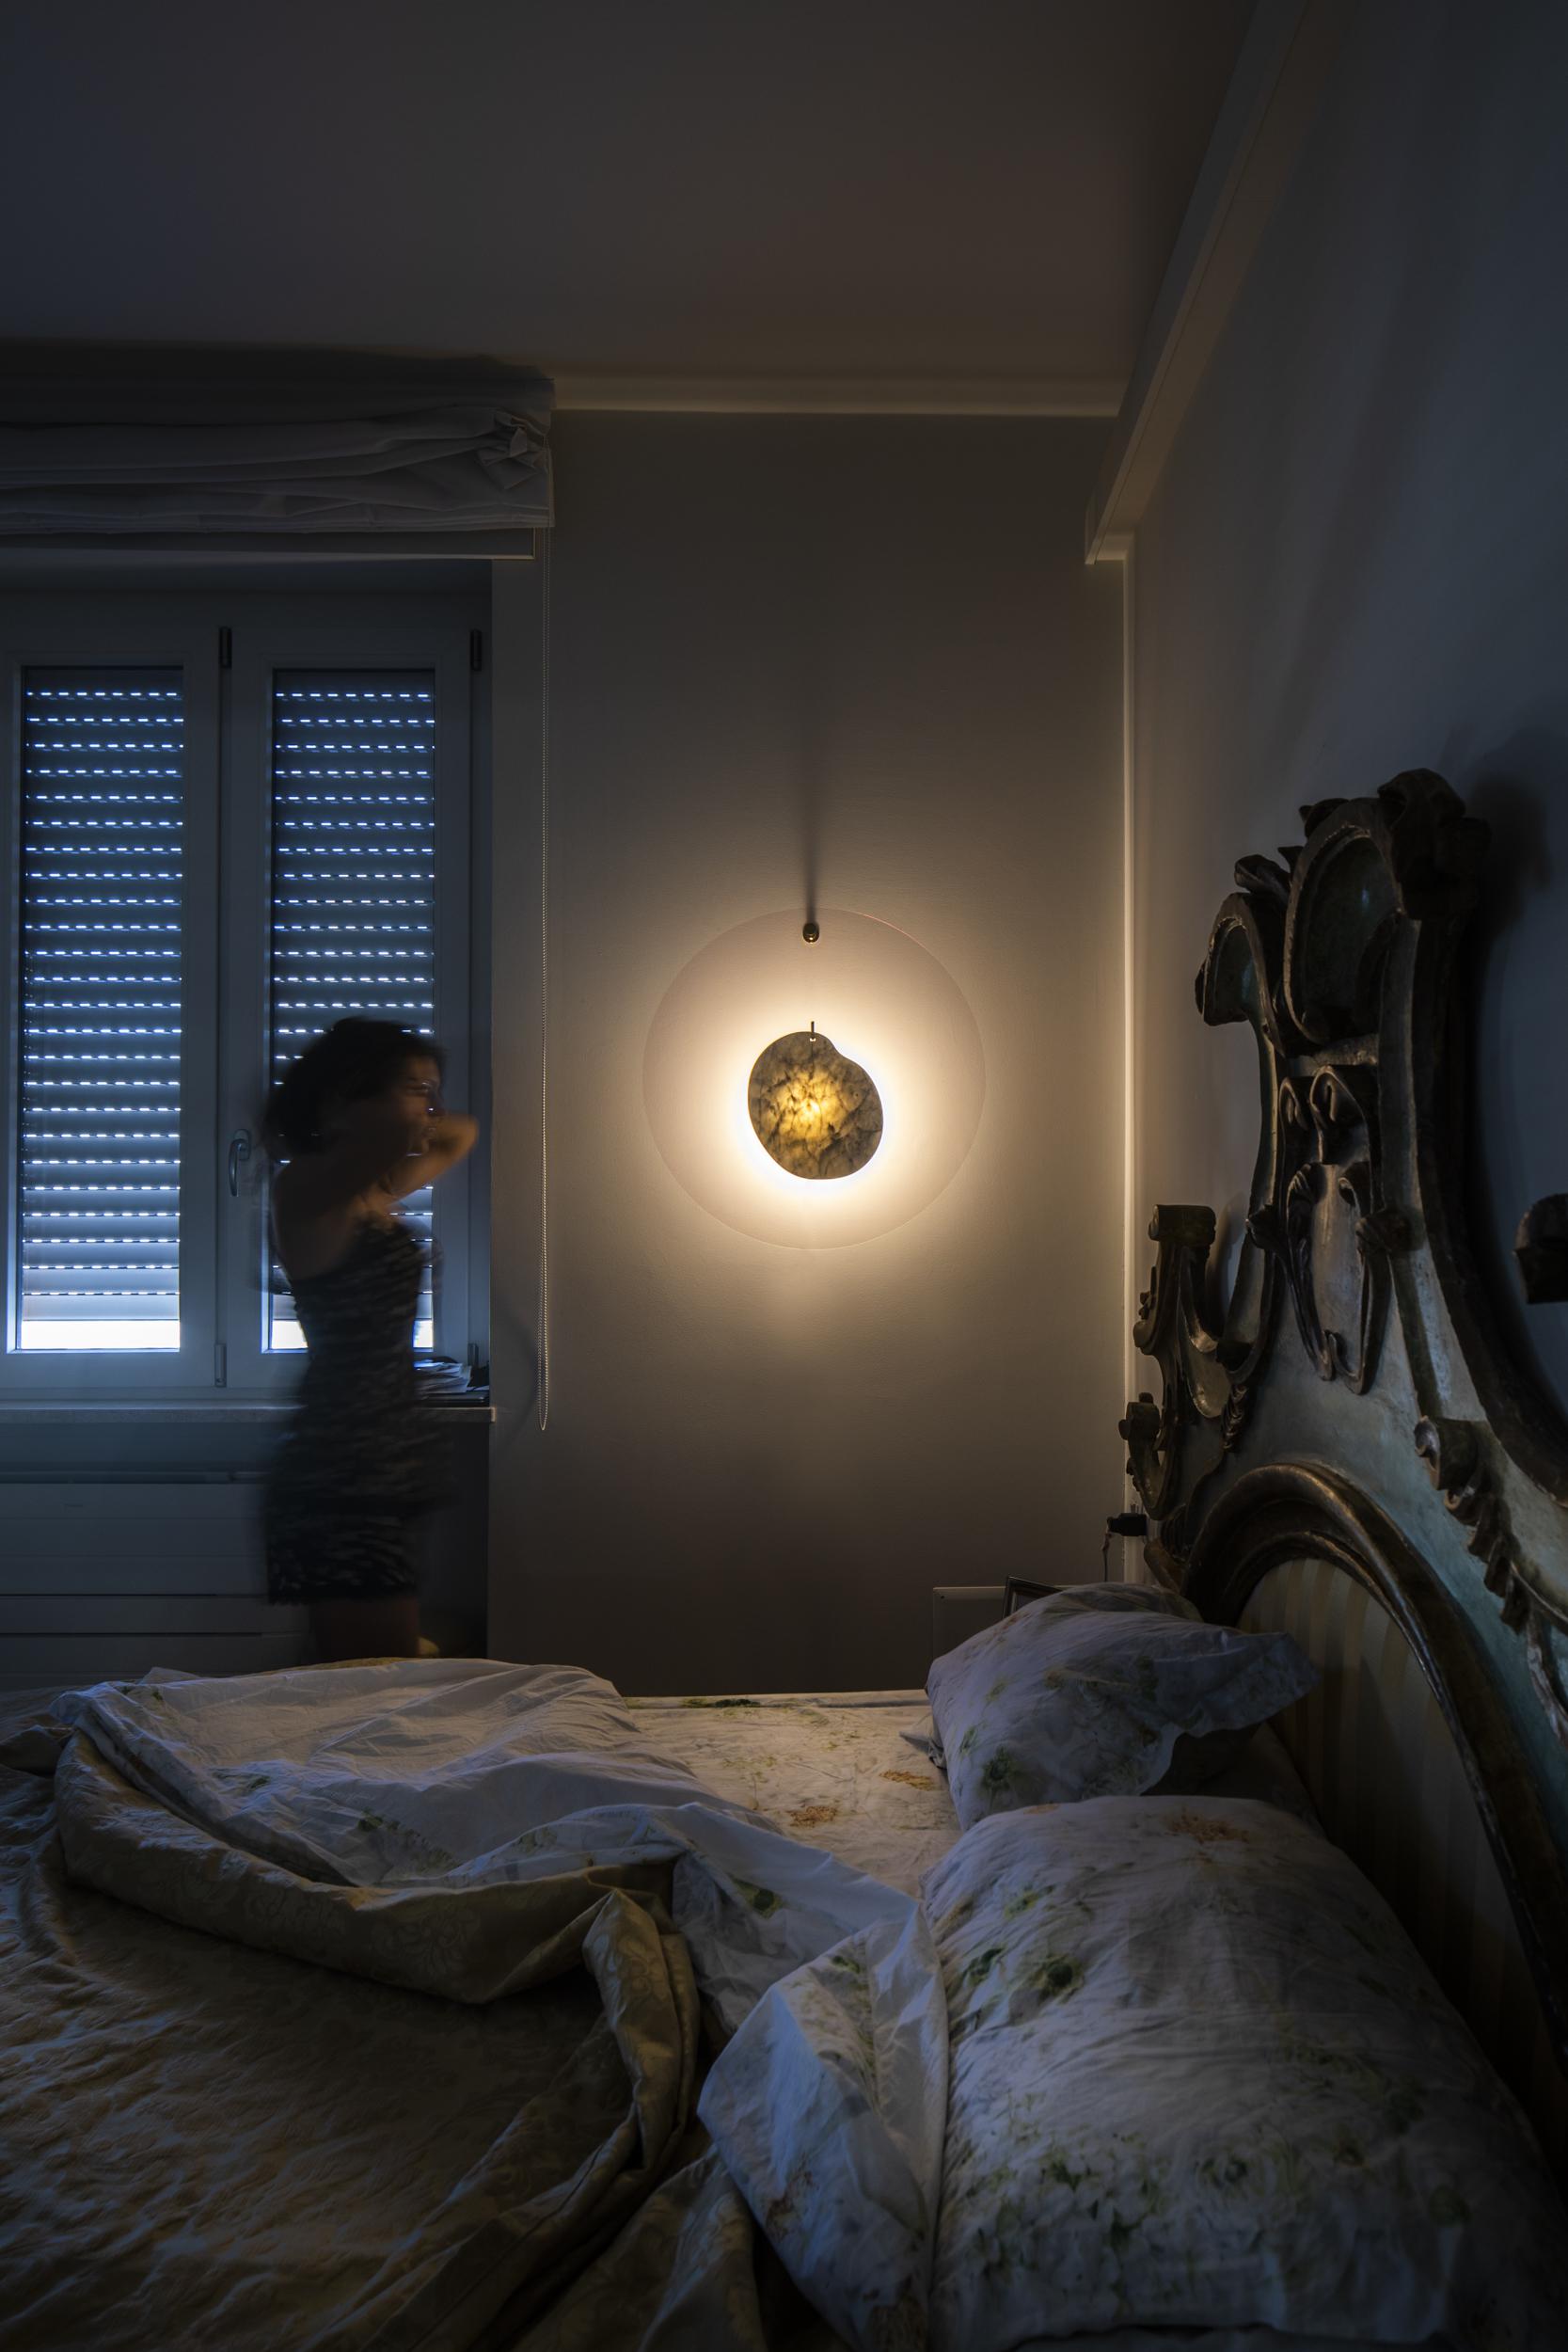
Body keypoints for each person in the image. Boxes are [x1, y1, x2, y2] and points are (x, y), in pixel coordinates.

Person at [261, 1019, 478, 1662]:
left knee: (374, 1679)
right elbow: (438, 1133)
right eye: (415, 1089)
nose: (432, 1108)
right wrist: (350, 1114)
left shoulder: (373, 1191)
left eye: (433, 1091)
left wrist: (407, 1105)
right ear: (345, 1096)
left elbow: (461, 1131)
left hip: (387, 1467)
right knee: (372, 1684)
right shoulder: (306, 1189)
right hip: (343, 1474)